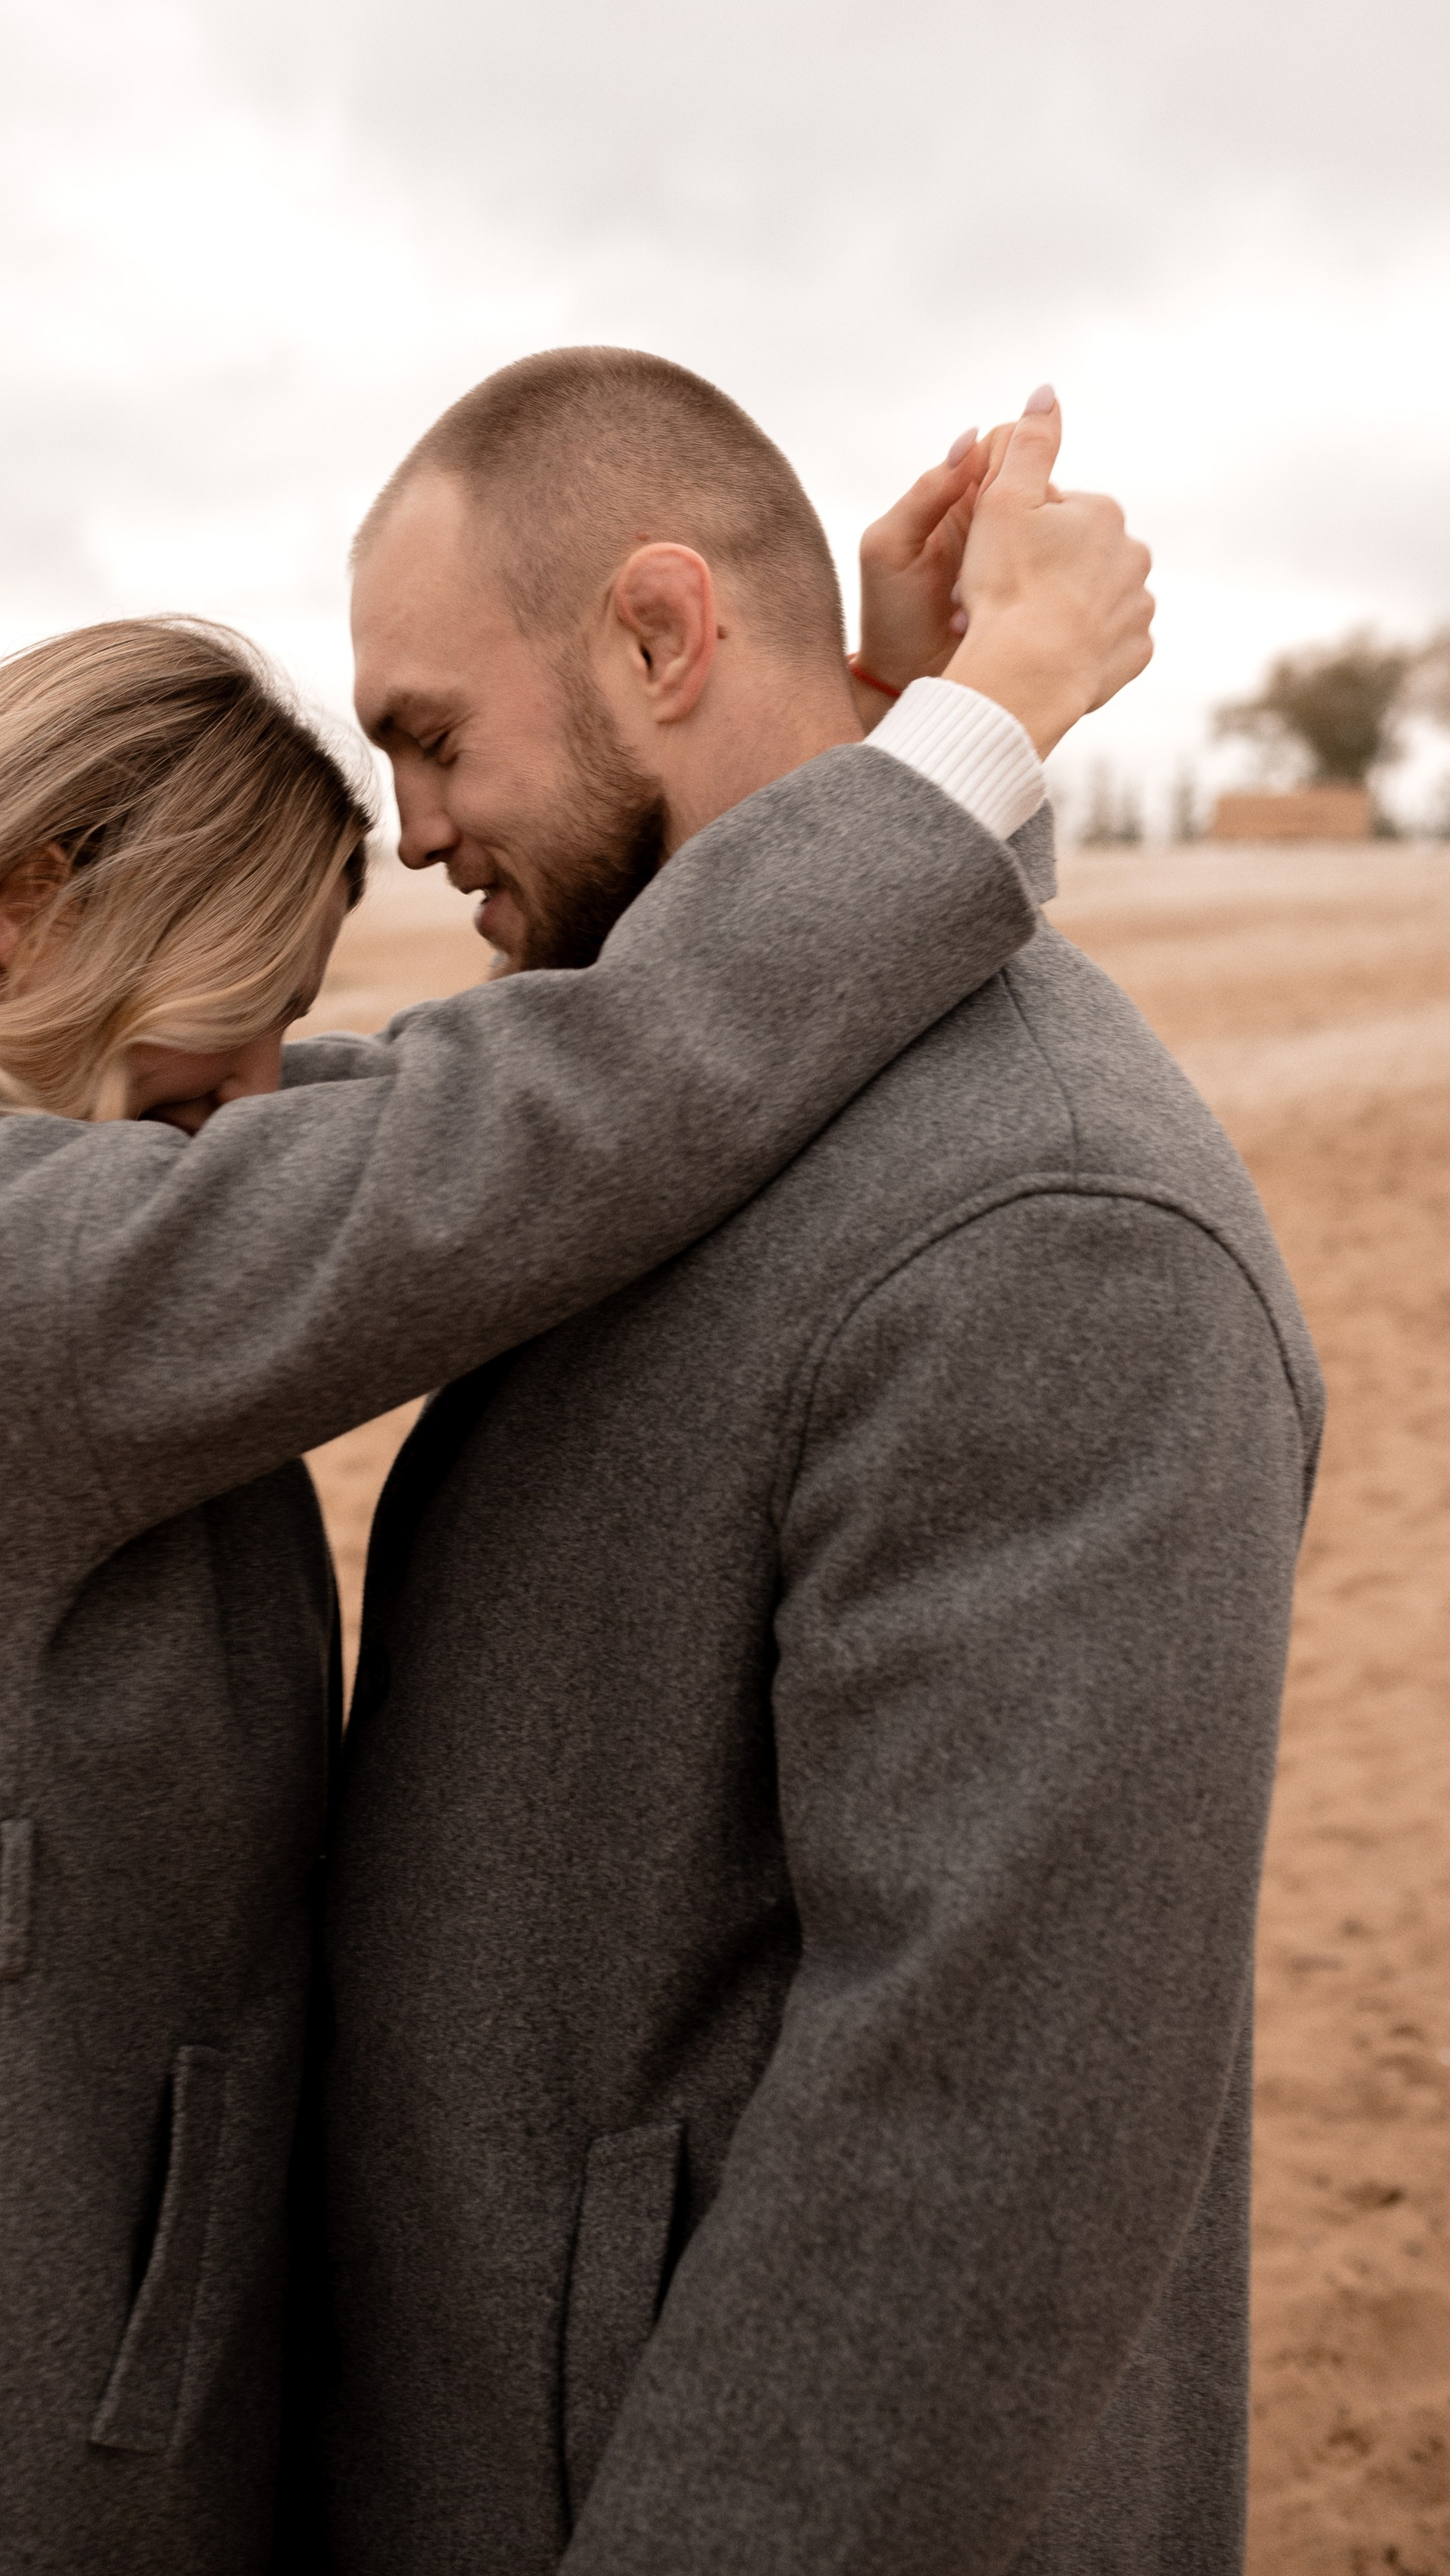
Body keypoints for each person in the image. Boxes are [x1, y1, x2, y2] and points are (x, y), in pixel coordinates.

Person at [0, 506, 1116, 2576]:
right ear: (26, 916)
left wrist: (836, 741)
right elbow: (536, 1134)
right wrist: (984, 729)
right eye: (239, 1007)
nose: (261, 1081)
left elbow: (555, 1085)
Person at [302, 351, 1323, 2575]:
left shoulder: (1057, 1236)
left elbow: (974, 2184)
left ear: (662, 638)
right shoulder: (638, 1110)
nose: (410, 831)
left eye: (427, 733)